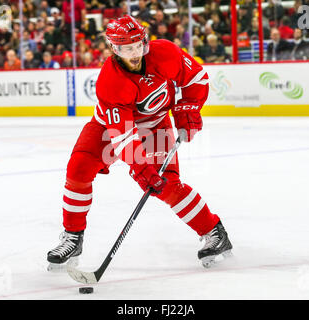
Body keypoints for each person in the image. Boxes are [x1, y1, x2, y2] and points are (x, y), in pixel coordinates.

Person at [47, 15, 233, 269]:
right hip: (108, 127)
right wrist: (140, 167)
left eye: (138, 45)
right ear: (114, 49)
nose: (134, 54)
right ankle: (72, 237)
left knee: (166, 185)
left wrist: (188, 108)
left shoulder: (166, 52)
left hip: (155, 124)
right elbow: (123, 135)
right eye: (126, 48)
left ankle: (213, 231)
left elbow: (196, 79)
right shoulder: (110, 81)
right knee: (79, 168)